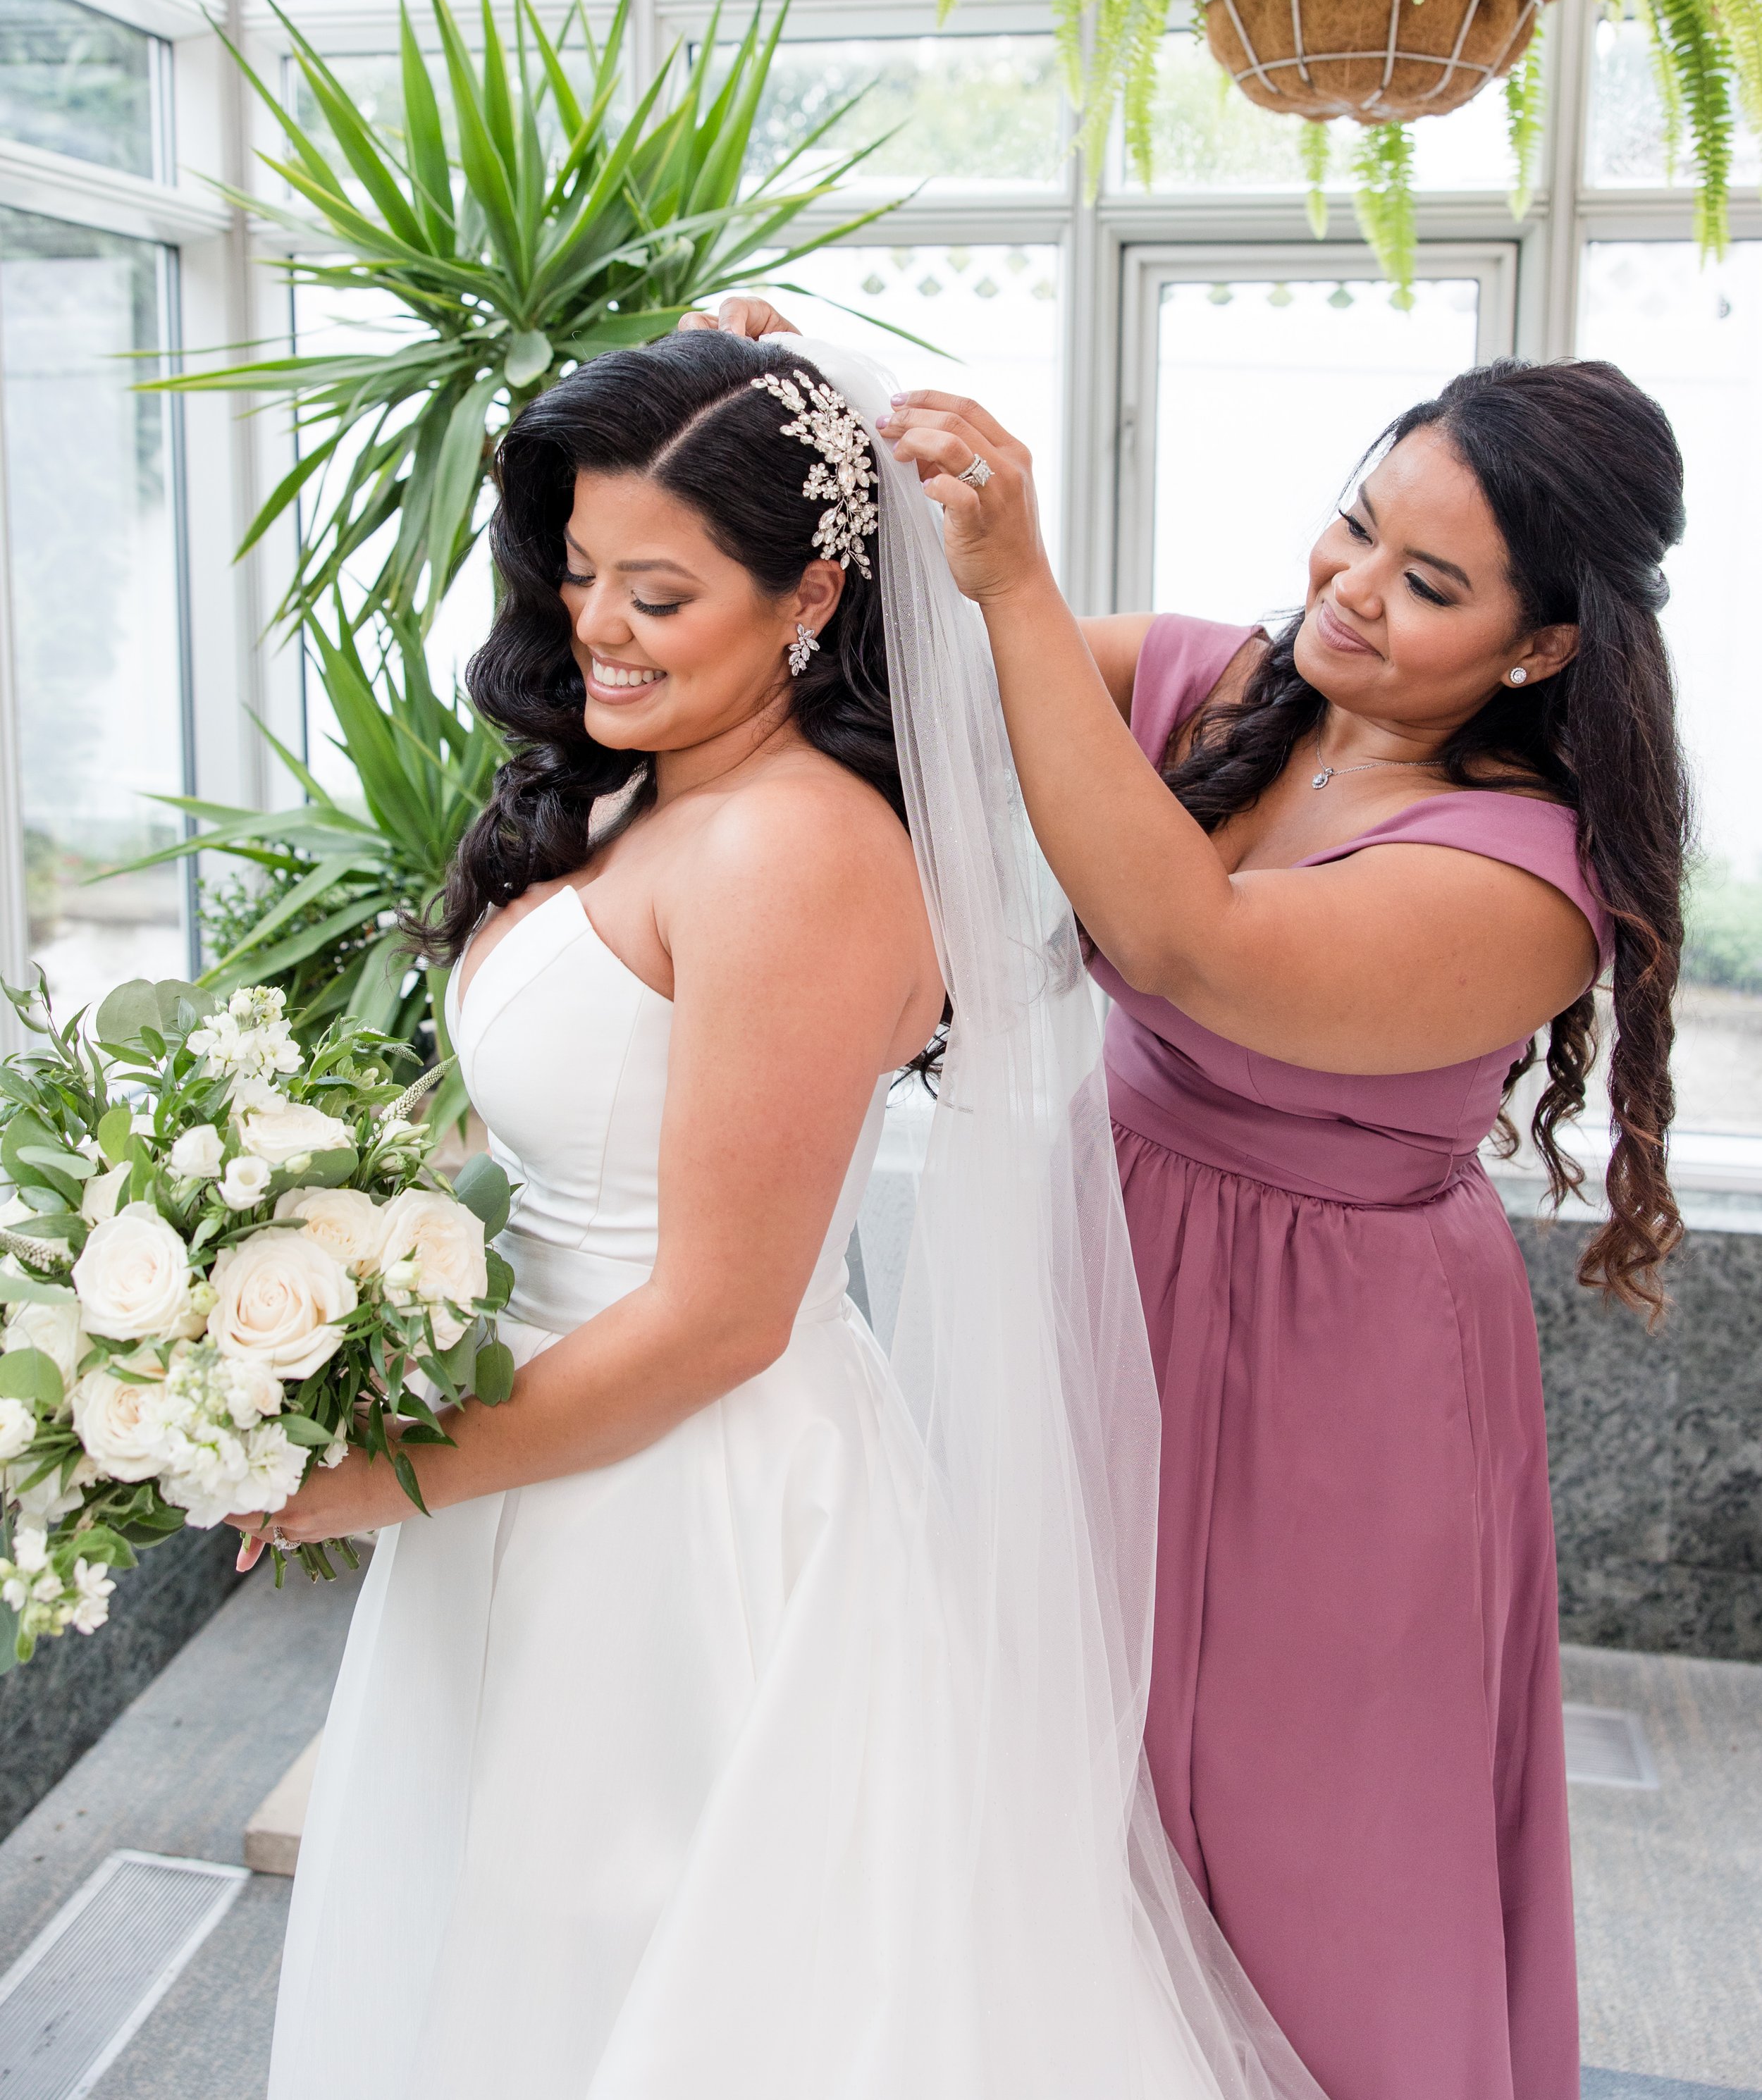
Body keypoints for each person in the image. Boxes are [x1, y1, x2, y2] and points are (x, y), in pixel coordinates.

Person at [241, 321, 1325, 2100]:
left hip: (681, 1510)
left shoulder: (796, 852)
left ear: (810, 592)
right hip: (539, 1457)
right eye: (580, 569)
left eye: (660, 593)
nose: (595, 623)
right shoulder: (644, 797)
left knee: (653, 1978)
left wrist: (376, 1472)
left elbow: (721, 1316)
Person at [877, 352, 1691, 2100]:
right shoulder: (1225, 691)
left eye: (1428, 585)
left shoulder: (1518, 879)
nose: (1347, 590)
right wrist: (806, 417)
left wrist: (1018, 579)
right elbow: (929, 676)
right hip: (1111, 1282)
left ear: (1542, 646)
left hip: (1346, 1371)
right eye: (1351, 525)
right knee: (1061, 1766)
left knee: (1304, 1827)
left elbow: (1189, 950)